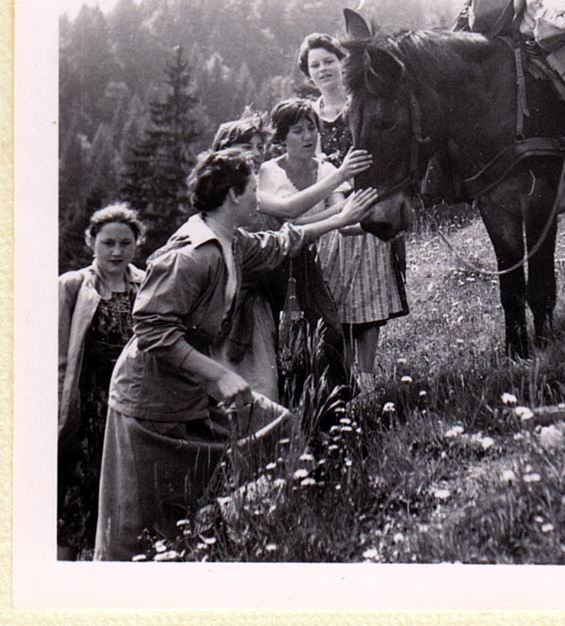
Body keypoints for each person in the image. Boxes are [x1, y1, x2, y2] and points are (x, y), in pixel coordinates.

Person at [93, 149, 376, 561]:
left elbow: (283, 242)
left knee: (282, 430)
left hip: (191, 390)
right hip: (149, 404)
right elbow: (152, 329)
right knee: (138, 525)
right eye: (252, 190)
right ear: (232, 196)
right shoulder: (192, 256)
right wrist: (217, 375)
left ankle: (222, 529)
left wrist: (338, 219)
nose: (258, 198)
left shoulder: (231, 242)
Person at [297, 33, 409, 395]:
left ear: (341, 62)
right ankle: (343, 379)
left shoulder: (358, 103)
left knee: (370, 289)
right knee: (336, 294)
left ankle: (368, 375)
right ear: (307, 73)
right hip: (328, 210)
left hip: (364, 199)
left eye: (328, 61)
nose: (323, 69)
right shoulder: (309, 116)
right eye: (315, 65)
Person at [256, 97, 373, 405]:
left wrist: (380, 222)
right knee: (284, 344)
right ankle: (297, 409)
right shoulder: (268, 172)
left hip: (307, 263)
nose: (308, 136)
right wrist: (339, 211)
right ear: (282, 137)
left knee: (329, 334)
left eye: (312, 128)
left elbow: (346, 222)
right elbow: (289, 218)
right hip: (271, 267)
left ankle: (336, 408)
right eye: (297, 130)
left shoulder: (327, 168)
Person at [57, 203, 147, 560]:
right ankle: (60, 573)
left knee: (125, 492)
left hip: (129, 406)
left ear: (136, 244)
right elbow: (61, 355)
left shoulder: (146, 284)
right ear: (90, 241)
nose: (116, 251)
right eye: (108, 242)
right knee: (77, 491)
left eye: (125, 243)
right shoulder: (73, 286)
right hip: (86, 404)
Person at [210, 113, 280, 399]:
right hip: (229, 304)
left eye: (261, 147)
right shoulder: (226, 191)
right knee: (246, 383)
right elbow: (288, 211)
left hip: (261, 297)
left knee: (261, 381)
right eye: (248, 146)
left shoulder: (260, 185)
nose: (256, 153)